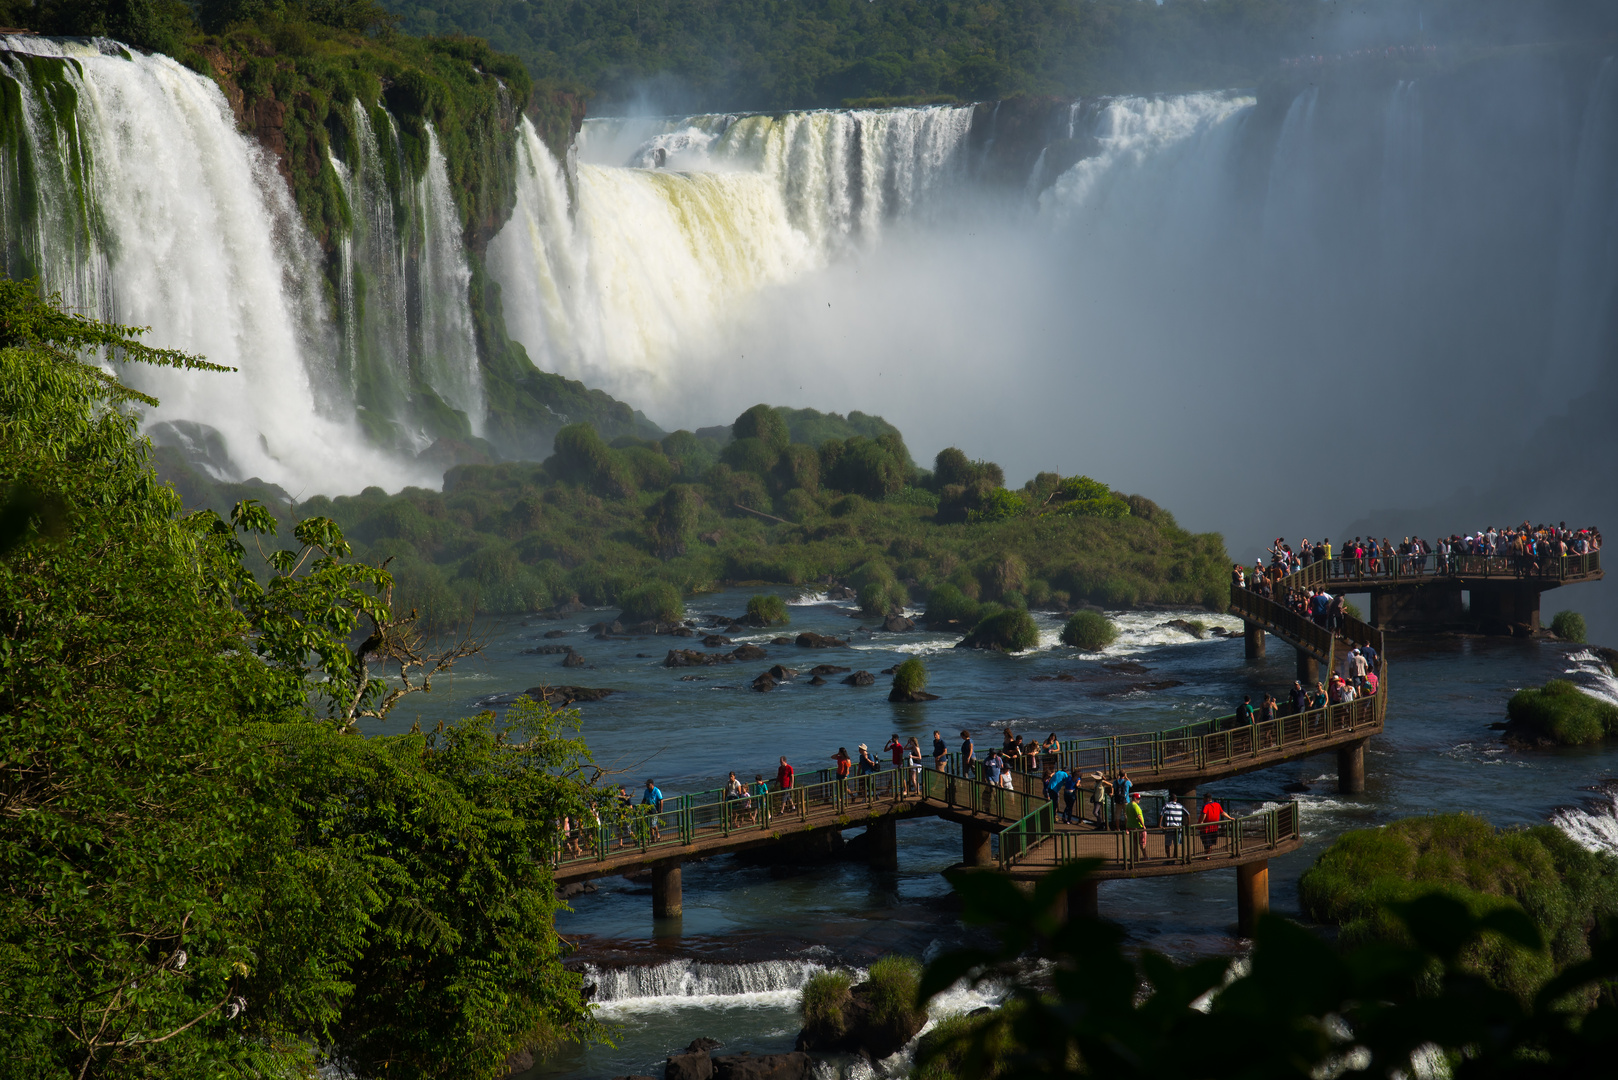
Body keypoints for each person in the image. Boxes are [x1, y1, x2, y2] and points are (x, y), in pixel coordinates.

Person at [1161, 792, 1186, 857]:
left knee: (1167, 844)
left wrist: (1159, 825)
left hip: (1169, 827)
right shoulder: (1180, 806)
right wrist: (1188, 823)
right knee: (1176, 844)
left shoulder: (1167, 805)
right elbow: (1188, 814)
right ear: (1176, 799)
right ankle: (1175, 857)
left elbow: (1161, 814)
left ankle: (1168, 857)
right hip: (1178, 828)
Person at [1125, 793, 1148, 858]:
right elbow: (1139, 816)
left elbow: (1127, 817)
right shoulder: (1135, 806)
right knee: (1142, 843)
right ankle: (1145, 857)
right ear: (1134, 798)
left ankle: (1135, 857)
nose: (1139, 800)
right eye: (1138, 799)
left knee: (1134, 844)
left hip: (1131, 827)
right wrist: (1143, 826)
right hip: (1138, 827)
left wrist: (1126, 827)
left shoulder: (1127, 805)